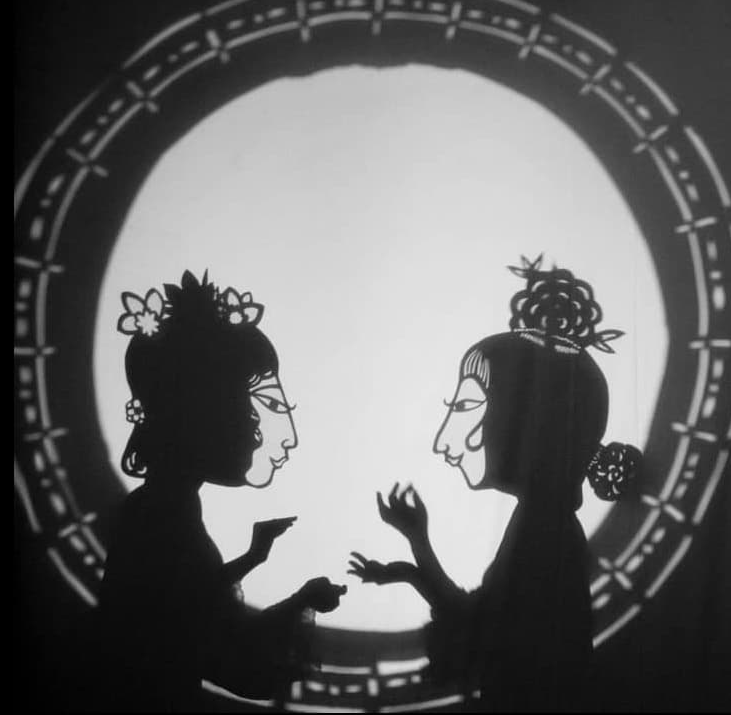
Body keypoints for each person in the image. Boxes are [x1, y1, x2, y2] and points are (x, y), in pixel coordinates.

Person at [348, 256, 641, 712]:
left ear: (525, 424)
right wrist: (412, 556)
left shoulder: (543, 534)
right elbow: (484, 619)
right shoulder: (543, 524)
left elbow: (479, 627)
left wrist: (415, 551)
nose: (446, 440)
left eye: (467, 406)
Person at [84, 270, 346, 712]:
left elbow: (193, 606)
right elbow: (207, 640)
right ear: (200, 413)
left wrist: (254, 559)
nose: (257, 430)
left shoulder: (161, 508)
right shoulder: (160, 517)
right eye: (248, 408)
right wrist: (298, 598)